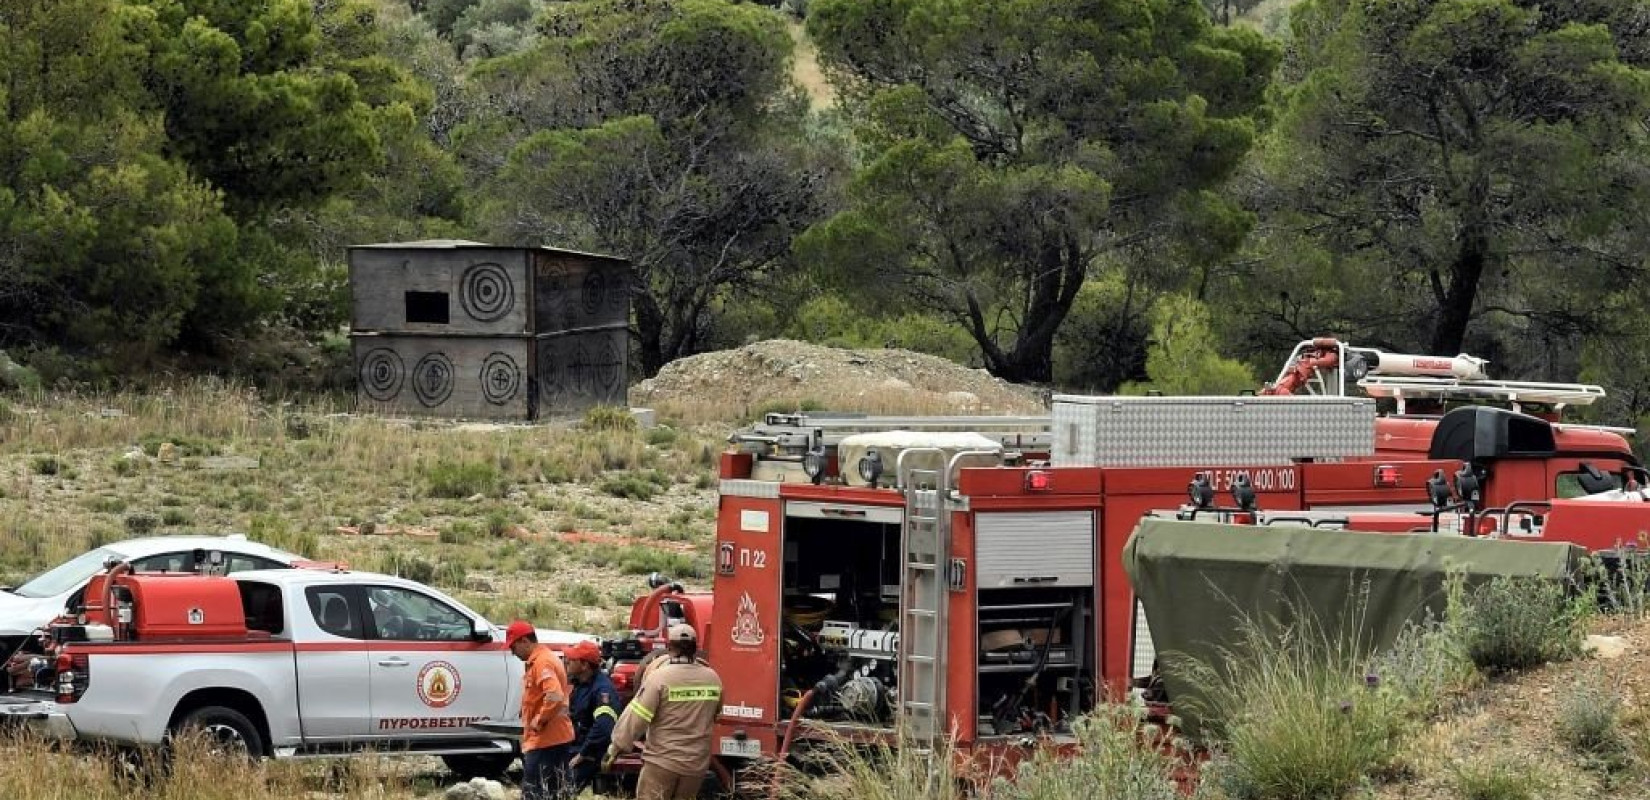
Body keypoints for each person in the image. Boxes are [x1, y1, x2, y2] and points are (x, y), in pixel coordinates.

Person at [604, 624, 722, 800]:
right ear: (695, 648)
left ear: (670, 647)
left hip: (662, 763)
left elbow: (636, 718)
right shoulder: (713, 678)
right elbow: (716, 713)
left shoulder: (660, 678)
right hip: (695, 766)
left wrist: (615, 748)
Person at [507, 620, 576, 800]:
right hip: (556, 737)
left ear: (524, 641)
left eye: (513, 647)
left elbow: (554, 695)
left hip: (546, 739)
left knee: (533, 791)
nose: (512, 652)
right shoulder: (542, 660)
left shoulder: (542, 663)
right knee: (558, 790)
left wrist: (540, 720)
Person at [564, 640, 620, 796]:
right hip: (575, 746)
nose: (567, 661)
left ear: (585, 665)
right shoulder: (581, 684)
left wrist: (583, 754)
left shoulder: (602, 690)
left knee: (562, 792)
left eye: (572, 659)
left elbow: (604, 727)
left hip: (590, 753)